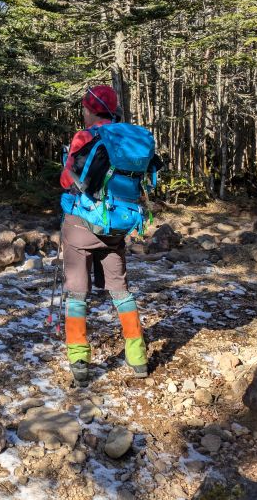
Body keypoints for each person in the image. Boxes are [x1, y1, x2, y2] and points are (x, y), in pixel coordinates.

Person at [60, 85, 148, 384]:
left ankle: (79, 362)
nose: (83, 114)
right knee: (121, 290)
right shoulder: (127, 137)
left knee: (76, 293)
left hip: (82, 226)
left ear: (90, 110)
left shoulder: (85, 137)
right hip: (116, 226)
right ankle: (138, 357)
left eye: (84, 109)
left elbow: (66, 180)